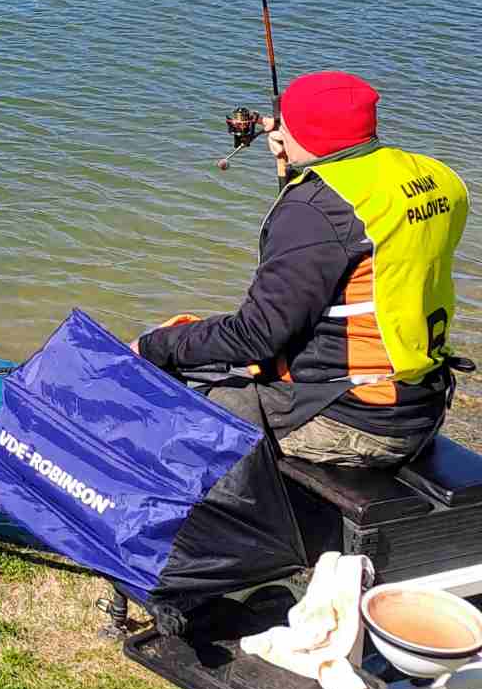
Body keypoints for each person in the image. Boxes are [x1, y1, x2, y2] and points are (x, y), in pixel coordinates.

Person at [134, 71, 469, 467]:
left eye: (283, 124)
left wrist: (152, 346)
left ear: (307, 131)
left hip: (352, 418)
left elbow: (255, 336)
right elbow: (351, 253)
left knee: (174, 410)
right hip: (420, 399)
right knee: (196, 345)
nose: (274, 130)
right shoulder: (434, 177)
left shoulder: (316, 209)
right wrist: (298, 171)